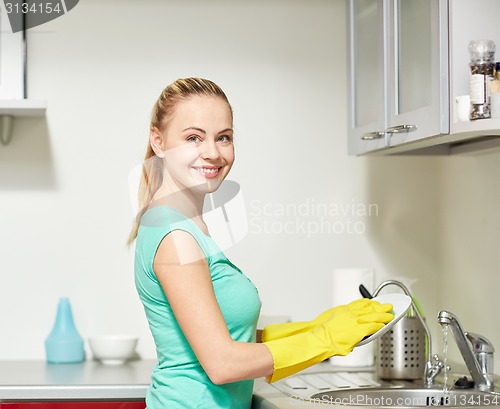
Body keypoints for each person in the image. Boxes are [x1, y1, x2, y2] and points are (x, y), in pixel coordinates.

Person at [129, 77, 394, 409]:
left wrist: (314, 327)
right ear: (158, 141)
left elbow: (222, 338)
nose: (212, 152)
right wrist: (323, 339)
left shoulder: (181, 224)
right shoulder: (175, 235)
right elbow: (222, 363)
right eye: (193, 138)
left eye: (223, 138)